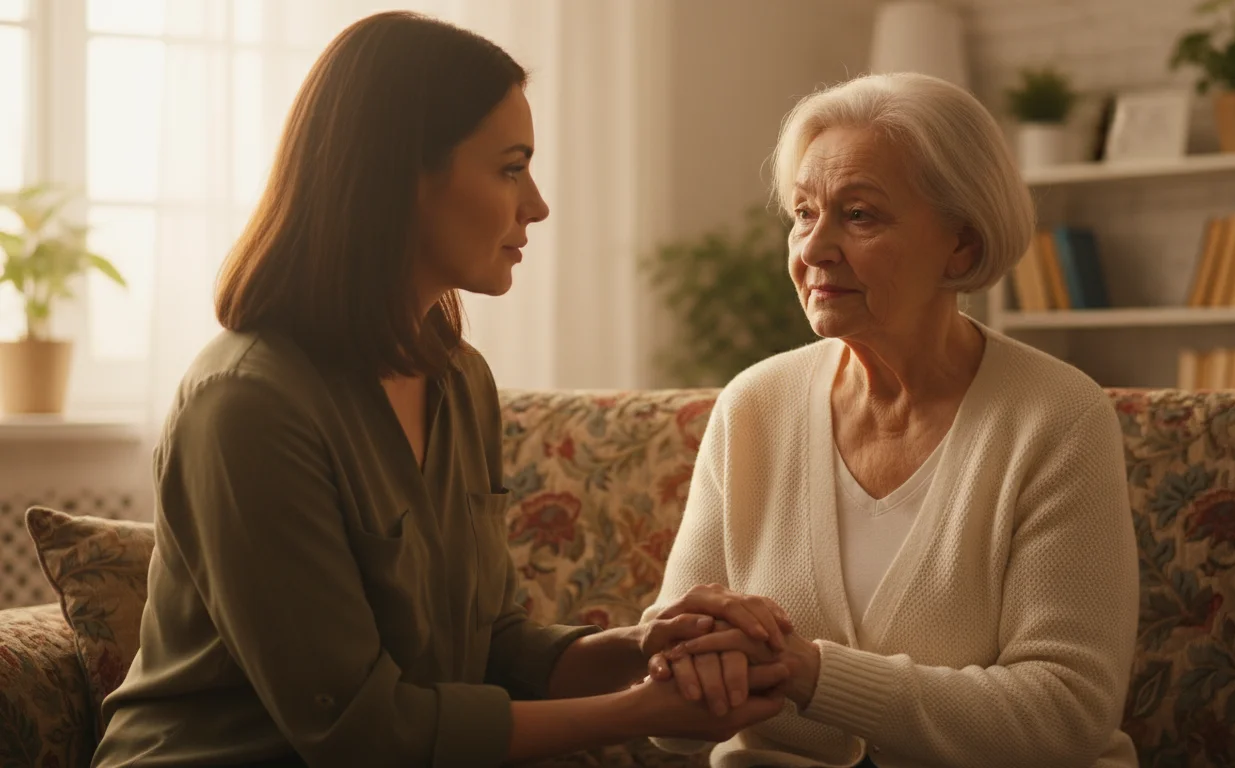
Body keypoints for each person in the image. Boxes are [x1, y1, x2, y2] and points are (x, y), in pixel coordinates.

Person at [92, 12, 793, 768]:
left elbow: (493, 647)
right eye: (510, 167)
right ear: (400, 177)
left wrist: (644, 644)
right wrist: (640, 711)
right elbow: (361, 734)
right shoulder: (247, 405)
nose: (538, 205)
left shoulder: (458, 380)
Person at [640, 72, 1141, 767]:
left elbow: (1068, 711)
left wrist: (814, 674)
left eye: (859, 215)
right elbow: (666, 707)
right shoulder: (754, 405)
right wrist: (688, 665)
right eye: (803, 212)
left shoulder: (1055, 417)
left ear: (960, 247)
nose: (813, 250)